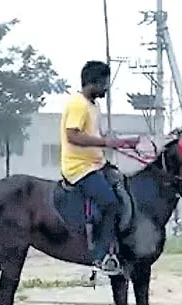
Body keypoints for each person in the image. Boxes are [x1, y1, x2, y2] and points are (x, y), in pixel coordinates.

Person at [59, 60, 139, 275]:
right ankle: (100, 255)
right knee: (110, 203)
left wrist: (122, 142)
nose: (106, 88)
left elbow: (95, 137)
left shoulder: (94, 106)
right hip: (79, 168)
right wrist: (106, 143)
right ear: (92, 83)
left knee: (124, 188)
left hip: (96, 163)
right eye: (104, 84)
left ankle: (118, 248)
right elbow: (73, 135)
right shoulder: (78, 104)